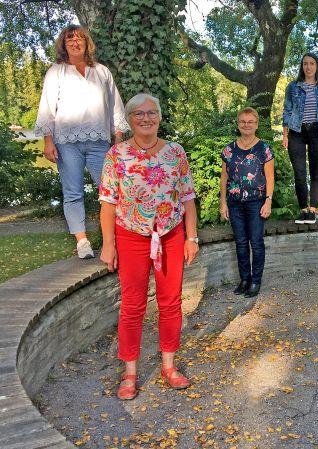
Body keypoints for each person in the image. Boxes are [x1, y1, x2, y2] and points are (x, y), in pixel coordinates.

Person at [99, 93, 199, 400]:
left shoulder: (175, 152)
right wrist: (108, 245)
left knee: (171, 302)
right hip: (131, 236)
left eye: (151, 112)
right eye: (139, 113)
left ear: (159, 116)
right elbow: (107, 202)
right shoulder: (116, 155)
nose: (146, 118)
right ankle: (130, 372)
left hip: (170, 235)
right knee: (132, 305)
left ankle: (169, 366)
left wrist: (191, 237)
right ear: (129, 119)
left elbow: (187, 198)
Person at [35, 24, 129, 258]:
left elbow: (115, 106)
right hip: (66, 142)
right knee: (73, 192)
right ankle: (82, 241)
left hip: (99, 142)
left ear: (87, 43)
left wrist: (118, 139)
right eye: (70, 40)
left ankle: (115, 238)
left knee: (110, 190)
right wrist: (48, 141)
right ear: (64, 45)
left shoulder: (102, 72)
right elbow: (47, 107)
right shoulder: (56, 72)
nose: (75, 43)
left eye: (79, 39)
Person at [220, 107, 275, 298]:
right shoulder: (229, 149)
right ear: (238, 124)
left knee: (256, 242)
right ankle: (244, 279)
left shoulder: (264, 149)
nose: (246, 125)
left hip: (256, 202)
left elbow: (270, 178)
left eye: (250, 122)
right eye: (243, 121)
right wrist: (223, 202)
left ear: (256, 124)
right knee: (241, 242)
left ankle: (256, 281)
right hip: (234, 202)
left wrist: (268, 201)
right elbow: (224, 178)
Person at [282, 53, 318, 224]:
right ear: (302, 67)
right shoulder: (293, 87)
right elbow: (287, 111)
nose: (308, 67)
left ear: (316, 66)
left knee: (316, 173)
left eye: (311, 63)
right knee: (299, 173)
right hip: (297, 132)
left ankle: (312, 211)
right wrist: (285, 135)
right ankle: (303, 210)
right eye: (305, 64)